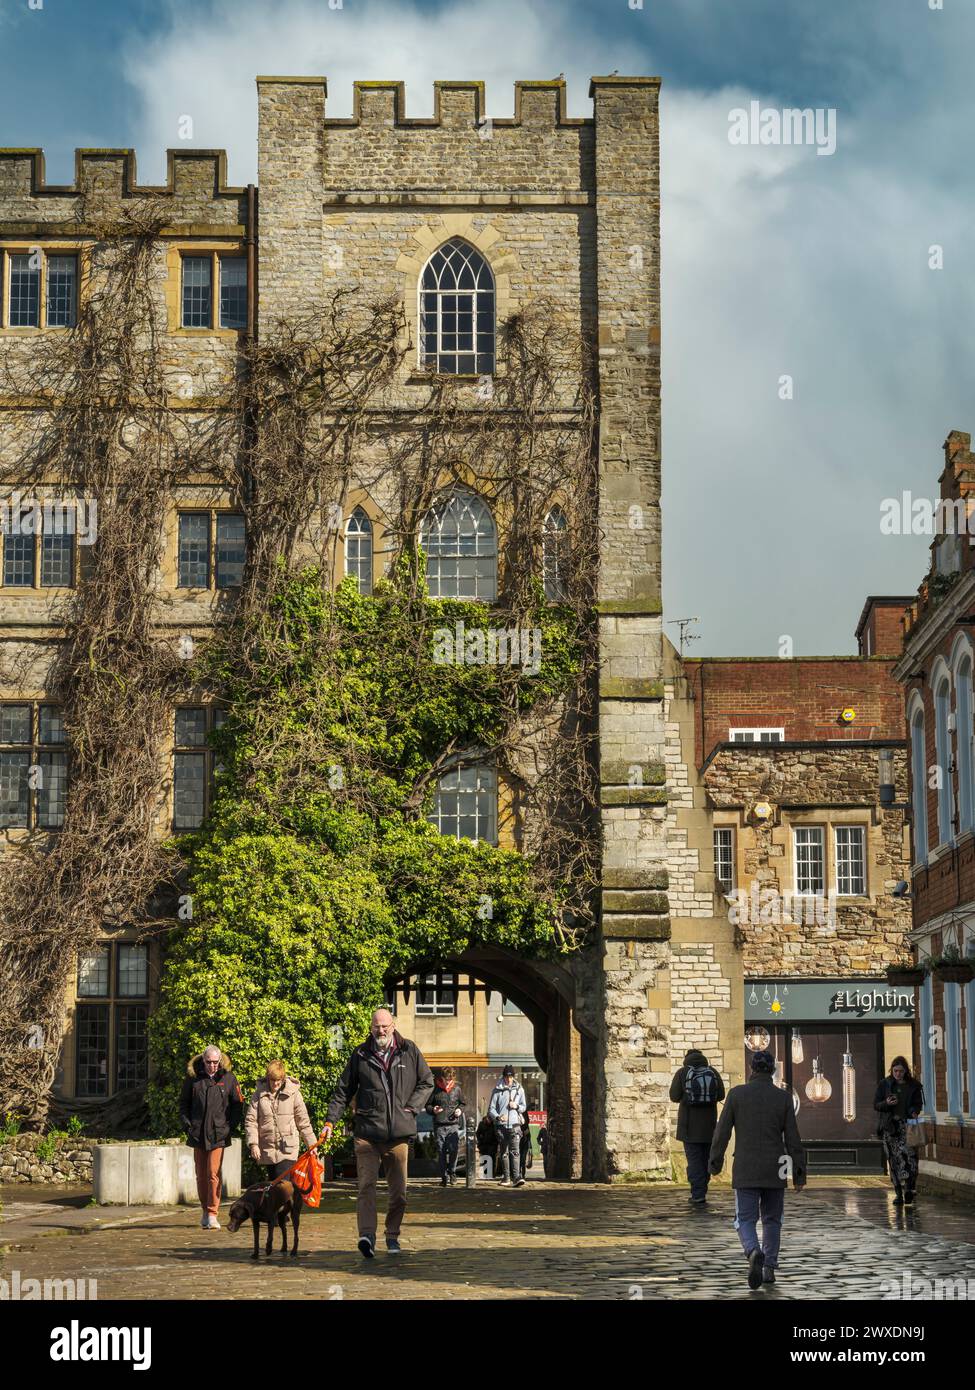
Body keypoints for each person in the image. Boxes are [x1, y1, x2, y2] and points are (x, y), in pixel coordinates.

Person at [321, 1009, 433, 1257]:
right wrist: (330, 1122)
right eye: (376, 1027)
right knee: (366, 1186)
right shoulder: (360, 1054)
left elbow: (427, 1081)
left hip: (398, 1135)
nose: (380, 1031)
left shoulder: (409, 1050)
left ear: (393, 1025)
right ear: (370, 1028)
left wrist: (411, 1108)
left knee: (399, 1193)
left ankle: (392, 1235)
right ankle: (367, 1236)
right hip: (368, 1133)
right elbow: (343, 1091)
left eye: (384, 1026)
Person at [708, 1049, 805, 1289]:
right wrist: (799, 1174)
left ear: (752, 1068)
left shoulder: (737, 1094)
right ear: (772, 1070)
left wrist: (715, 1162)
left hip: (746, 1166)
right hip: (777, 1167)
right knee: (773, 1219)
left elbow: (722, 1132)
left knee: (745, 1219)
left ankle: (753, 1251)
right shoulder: (782, 1098)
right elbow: (793, 1138)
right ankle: (769, 1267)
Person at [179, 1045, 244, 1230]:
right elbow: (183, 1104)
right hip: (197, 1132)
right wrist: (187, 1124)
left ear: (220, 1061)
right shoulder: (193, 1080)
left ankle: (213, 1212)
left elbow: (238, 1105)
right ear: (203, 1060)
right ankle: (204, 1211)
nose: (212, 1066)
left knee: (213, 1173)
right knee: (201, 1175)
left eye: (216, 1062)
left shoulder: (229, 1078)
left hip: (218, 1133)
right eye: (209, 1062)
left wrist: (229, 1127)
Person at [669, 1047, 725, 1205]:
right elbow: (721, 1095)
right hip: (709, 1127)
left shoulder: (682, 1072)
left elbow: (674, 1096)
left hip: (689, 1128)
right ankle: (702, 1189)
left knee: (694, 1161)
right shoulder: (712, 1072)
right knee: (706, 1159)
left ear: (686, 1058)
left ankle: (697, 1194)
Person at [245, 1060, 317, 1181]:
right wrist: (254, 1144)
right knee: (275, 1189)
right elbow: (251, 1121)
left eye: (279, 1080)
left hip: (288, 1149)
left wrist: (312, 1144)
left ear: (283, 1078)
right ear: (268, 1078)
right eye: (273, 1080)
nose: (276, 1084)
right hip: (267, 1150)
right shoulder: (258, 1094)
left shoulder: (294, 1094)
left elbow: (303, 1122)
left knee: (283, 1186)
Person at [874, 1055, 924, 1207]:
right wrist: (886, 1103)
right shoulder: (885, 1084)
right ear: (892, 1070)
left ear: (905, 1071)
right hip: (891, 1128)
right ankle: (898, 1193)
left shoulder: (914, 1085)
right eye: (895, 1071)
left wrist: (914, 1110)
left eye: (901, 1071)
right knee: (894, 1160)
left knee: (911, 1159)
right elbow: (876, 1105)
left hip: (907, 1126)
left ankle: (909, 1188)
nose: (898, 1074)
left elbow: (918, 1103)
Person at [488, 1064, 527, 1188]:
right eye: (506, 1076)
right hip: (501, 1126)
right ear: (503, 1076)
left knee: (515, 1152)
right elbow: (491, 1109)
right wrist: (498, 1117)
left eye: (510, 1076)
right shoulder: (497, 1090)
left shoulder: (519, 1089)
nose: (508, 1079)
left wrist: (516, 1106)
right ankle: (506, 1177)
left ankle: (516, 1178)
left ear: (513, 1077)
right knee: (504, 1152)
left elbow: (524, 1106)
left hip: (515, 1125)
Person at [426, 1067, 466, 1187]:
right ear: (442, 1078)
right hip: (439, 1126)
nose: (448, 1082)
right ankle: (444, 1177)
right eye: (446, 1079)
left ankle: (452, 1172)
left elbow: (463, 1103)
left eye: (450, 1080)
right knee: (441, 1151)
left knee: (454, 1150)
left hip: (453, 1125)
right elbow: (427, 1106)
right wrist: (433, 1109)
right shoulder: (435, 1089)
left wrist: (459, 1110)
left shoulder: (457, 1089)